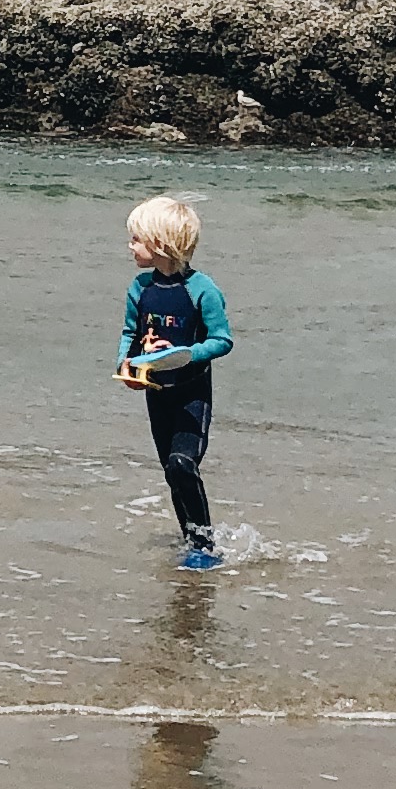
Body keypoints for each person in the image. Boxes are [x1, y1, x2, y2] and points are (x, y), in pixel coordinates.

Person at [117, 191, 230, 567]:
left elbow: (221, 340)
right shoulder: (141, 289)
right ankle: (192, 541)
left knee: (183, 463)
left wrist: (184, 356)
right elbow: (130, 334)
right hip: (157, 394)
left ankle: (205, 547)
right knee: (171, 471)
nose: (129, 246)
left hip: (191, 395)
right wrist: (126, 365)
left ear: (161, 245)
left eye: (136, 239)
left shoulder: (202, 290)